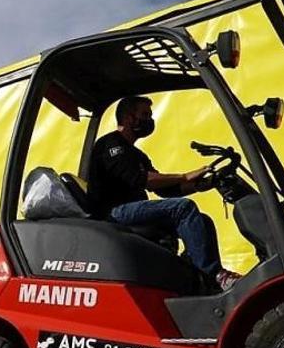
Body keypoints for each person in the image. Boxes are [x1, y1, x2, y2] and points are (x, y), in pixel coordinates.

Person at [88, 95, 241, 291]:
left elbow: (162, 189)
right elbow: (141, 179)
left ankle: (199, 277)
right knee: (183, 207)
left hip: (131, 210)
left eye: (150, 115)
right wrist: (184, 176)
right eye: (144, 114)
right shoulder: (110, 145)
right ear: (128, 118)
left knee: (202, 220)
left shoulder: (137, 154)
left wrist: (201, 184)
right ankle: (215, 275)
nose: (150, 120)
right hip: (114, 213)